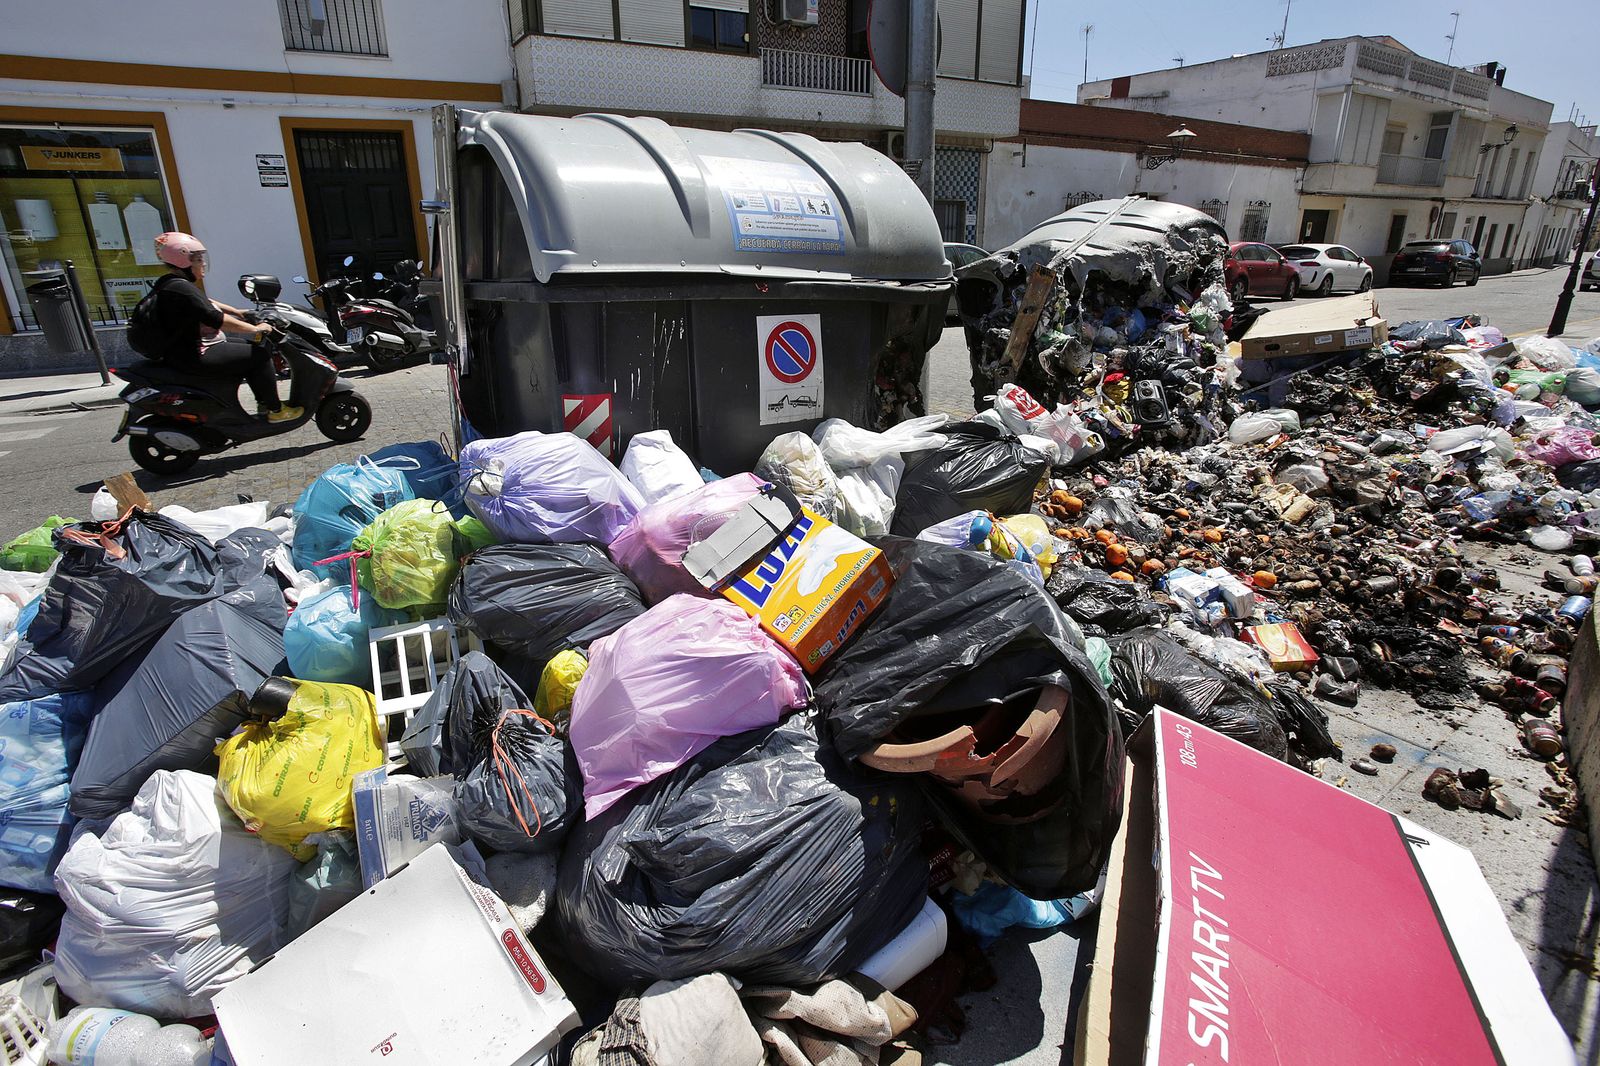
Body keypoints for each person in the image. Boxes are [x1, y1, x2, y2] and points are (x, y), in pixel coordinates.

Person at [148, 232, 302, 422]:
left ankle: (263, 401)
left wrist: (239, 312)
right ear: (183, 260)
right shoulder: (181, 288)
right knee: (260, 355)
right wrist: (255, 328)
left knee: (245, 347)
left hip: (183, 350)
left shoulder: (170, 283)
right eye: (197, 258)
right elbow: (215, 318)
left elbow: (204, 302)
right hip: (194, 354)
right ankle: (275, 410)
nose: (203, 263)